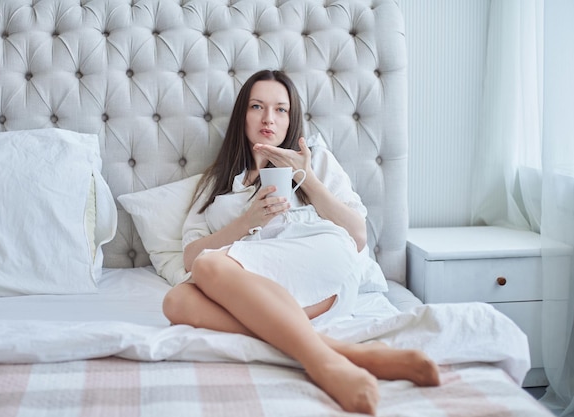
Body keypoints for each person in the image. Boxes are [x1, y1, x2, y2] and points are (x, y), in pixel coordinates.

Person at [162, 69, 440, 414]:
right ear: (242, 116)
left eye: (281, 109)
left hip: (321, 261)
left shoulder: (317, 161)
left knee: (209, 264)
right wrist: (247, 222)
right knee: (176, 302)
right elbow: (189, 256)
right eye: (257, 107)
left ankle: (326, 365)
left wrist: (305, 178)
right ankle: (347, 353)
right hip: (256, 287)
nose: (268, 118)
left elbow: (357, 234)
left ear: (292, 119)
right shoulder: (216, 181)